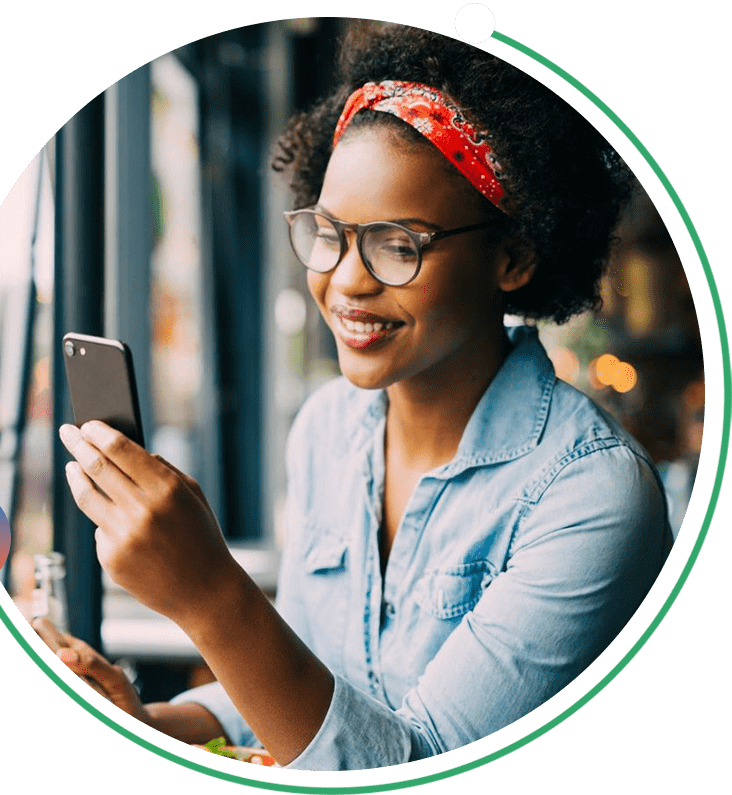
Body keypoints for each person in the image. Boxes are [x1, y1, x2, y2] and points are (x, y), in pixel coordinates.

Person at [38, 22, 673, 770]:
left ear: (513, 255)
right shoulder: (327, 428)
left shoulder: (592, 498)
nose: (344, 281)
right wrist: (144, 719)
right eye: (328, 233)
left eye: (397, 244)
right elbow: (298, 687)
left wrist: (210, 595)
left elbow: (410, 762)